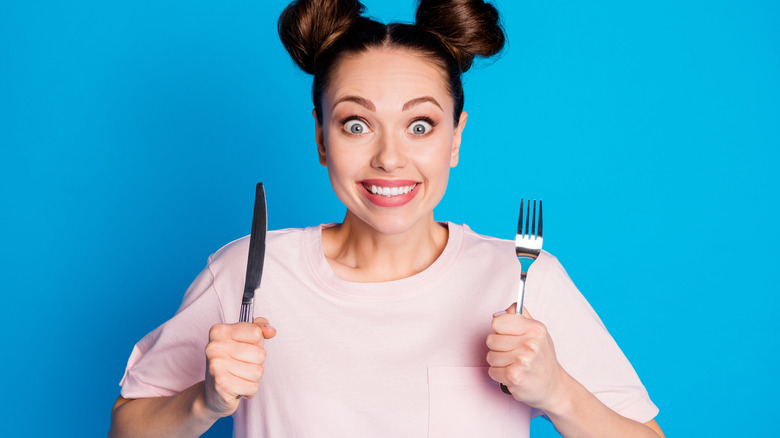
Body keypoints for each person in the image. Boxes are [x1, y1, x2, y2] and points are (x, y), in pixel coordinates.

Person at [109, 0, 665, 436]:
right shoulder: (247, 273)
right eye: (356, 124)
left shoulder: (524, 278)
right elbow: (126, 428)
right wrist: (204, 401)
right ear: (321, 137)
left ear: (456, 138)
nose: (390, 157)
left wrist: (557, 392)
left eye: (420, 125)